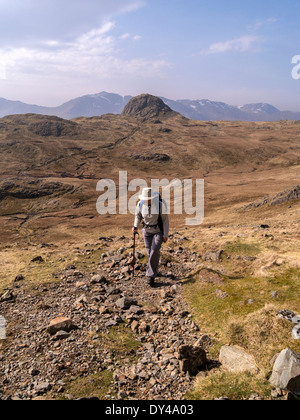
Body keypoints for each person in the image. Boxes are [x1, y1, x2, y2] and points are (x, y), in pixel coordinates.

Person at [132, 188, 169, 287]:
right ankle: (154, 270)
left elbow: (165, 220)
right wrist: (135, 226)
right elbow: (138, 216)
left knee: (154, 250)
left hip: (158, 231)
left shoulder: (159, 204)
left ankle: (151, 276)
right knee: (149, 253)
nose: (146, 200)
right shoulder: (140, 204)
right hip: (146, 231)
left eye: (148, 198)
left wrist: (165, 235)